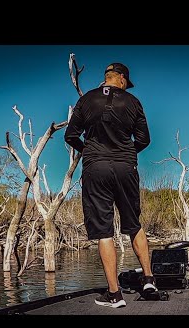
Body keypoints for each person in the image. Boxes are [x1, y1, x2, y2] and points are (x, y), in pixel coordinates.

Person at [64, 62, 157, 308]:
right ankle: (149, 281)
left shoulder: (86, 101)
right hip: (126, 167)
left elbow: (70, 136)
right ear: (123, 80)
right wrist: (126, 154)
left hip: (96, 168)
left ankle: (115, 295)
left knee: (104, 231)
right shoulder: (133, 101)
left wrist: (91, 153)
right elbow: (144, 139)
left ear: (106, 78)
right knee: (133, 223)